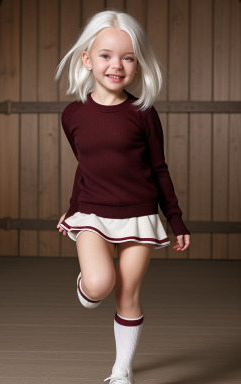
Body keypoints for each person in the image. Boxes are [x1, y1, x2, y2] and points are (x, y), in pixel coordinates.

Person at [55, 9, 191, 384]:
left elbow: (159, 168)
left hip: (139, 215)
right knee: (100, 284)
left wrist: (175, 219)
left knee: (127, 294)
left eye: (127, 57)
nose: (116, 65)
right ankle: (87, 284)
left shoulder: (143, 113)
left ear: (137, 64)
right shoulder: (72, 115)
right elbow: (87, 168)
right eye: (105, 55)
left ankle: (121, 371)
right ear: (87, 60)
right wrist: (70, 212)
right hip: (93, 214)